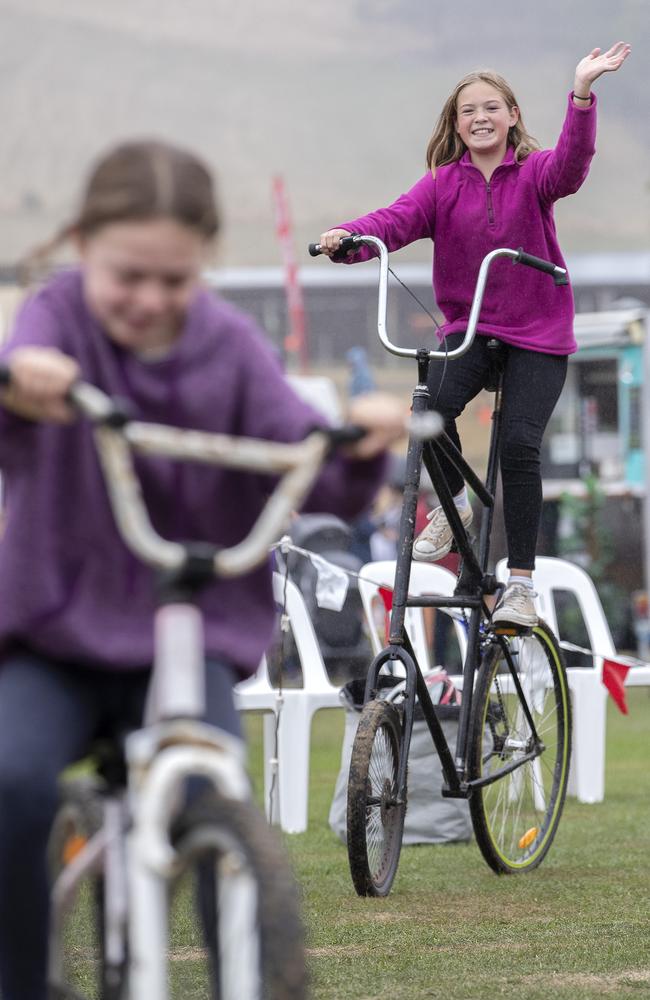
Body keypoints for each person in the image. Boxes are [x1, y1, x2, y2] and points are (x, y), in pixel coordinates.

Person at [0, 138, 406, 1000]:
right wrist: (22, 383)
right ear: (83, 248)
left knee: (213, 809)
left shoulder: (226, 346)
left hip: (188, 642)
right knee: (11, 781)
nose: (150, 299)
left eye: (175, 280)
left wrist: (363, 442)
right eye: (128, 276)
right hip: (59, 634)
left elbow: (310, 459)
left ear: (205, 266)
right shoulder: (57, 316)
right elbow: (17, 399)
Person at [318, 42, 631, 631]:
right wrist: (349, 237)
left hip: (537, 335)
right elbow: (392, 221)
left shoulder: (534, 173)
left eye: (492, 107)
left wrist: (583, 93)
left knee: (517, 446)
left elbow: (572, 163)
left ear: (512, 116)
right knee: (426, 411)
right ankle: (456, 506)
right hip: (471, 330)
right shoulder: (441, 185)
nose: (480, 117)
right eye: (468, 110)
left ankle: (520, 584)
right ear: (455, 123)